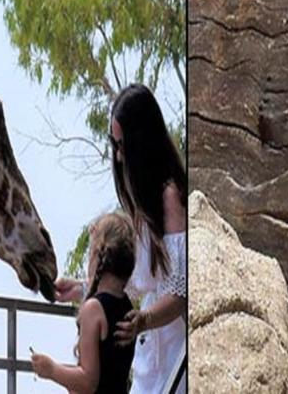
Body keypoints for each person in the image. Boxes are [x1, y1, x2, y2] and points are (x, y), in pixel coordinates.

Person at [55, 84, 187, 394]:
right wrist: (80, 288)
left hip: (174, 352)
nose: (118, 155)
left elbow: (181, 290)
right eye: (114, 144)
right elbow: (132, 283)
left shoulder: (170, 196)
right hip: (149, 355)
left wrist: (145, 319)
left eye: (122, 144)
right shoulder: (142, 205)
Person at [31, 212, 136, 394]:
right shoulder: (127, 305)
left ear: (96, 255)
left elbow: (88, 382)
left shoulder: (93, 309)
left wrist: (51, 370)